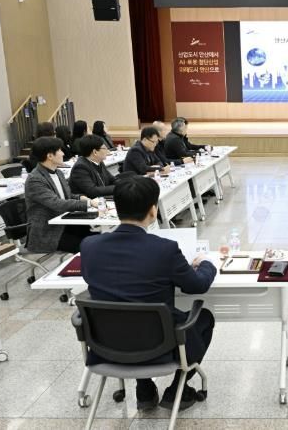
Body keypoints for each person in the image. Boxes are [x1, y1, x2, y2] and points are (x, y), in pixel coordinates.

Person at [81, 176, 217, 411]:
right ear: (153, 211)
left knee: (128, 314)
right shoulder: (164, 249)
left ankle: (144, 390)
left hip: (106, 346)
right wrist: (207, 263)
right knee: (203, 318)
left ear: (116, 209)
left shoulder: (89, 245)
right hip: (160, 347)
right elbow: (196, 286)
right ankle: (177, 389)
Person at [25, 137, 98, 253]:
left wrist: (80, 197)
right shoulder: (35, 179)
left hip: (66, 223)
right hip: (49, 231)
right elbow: (57, 203)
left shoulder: (58, 172)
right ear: (50, 156)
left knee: (100, 238)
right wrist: (88, 203)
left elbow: (66, 196)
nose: (63, 153)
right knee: (91, 247)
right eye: (59, 150)